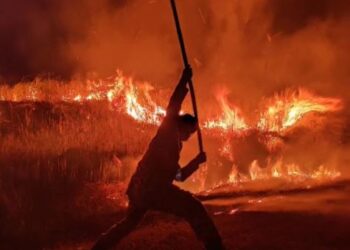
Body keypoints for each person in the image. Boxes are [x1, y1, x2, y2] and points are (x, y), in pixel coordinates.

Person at [92, 67, 224, 250]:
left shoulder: (174, 142)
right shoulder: (168, 131)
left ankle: (101, 246)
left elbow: (179, 176)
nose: (190, 136)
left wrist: (196, 162)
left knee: (129, 223)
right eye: (191, 132)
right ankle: (215, 246)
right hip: (152, 189)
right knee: (194, 207)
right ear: (184, 126)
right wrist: (184, 80)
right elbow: (174, 104)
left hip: (140, 187)